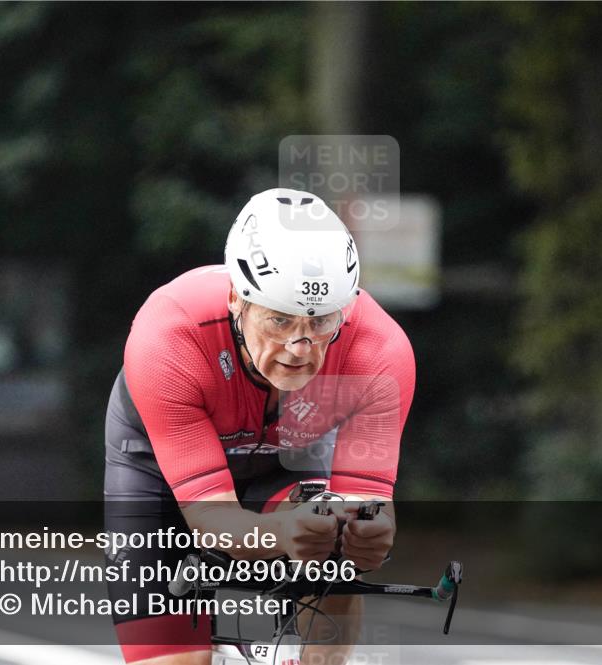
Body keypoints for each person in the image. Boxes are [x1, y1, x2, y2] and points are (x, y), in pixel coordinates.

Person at [104, 188, 416, 664]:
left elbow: (367, 504)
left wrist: (366, 538)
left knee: (333, 542)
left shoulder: (379, 351)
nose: (300, 347)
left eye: (321, 322)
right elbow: (210, 520)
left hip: (288, 458)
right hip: (157, 467)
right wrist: (283, 534)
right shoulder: (169, 337)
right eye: (280, 321)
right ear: (237, 299)